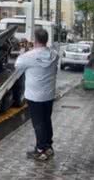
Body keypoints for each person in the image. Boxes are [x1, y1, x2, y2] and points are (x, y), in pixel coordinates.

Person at [15, 28, 59, 161]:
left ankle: (40, 150)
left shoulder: (28, 56)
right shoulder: (54, 54)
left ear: (35, 40)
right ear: (46, 40)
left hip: (35, 97)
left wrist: (25, 50)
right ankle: (48, 146)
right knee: (46, 120)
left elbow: (17, 65)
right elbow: (48, 62)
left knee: (38, 123)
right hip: (49, 94)